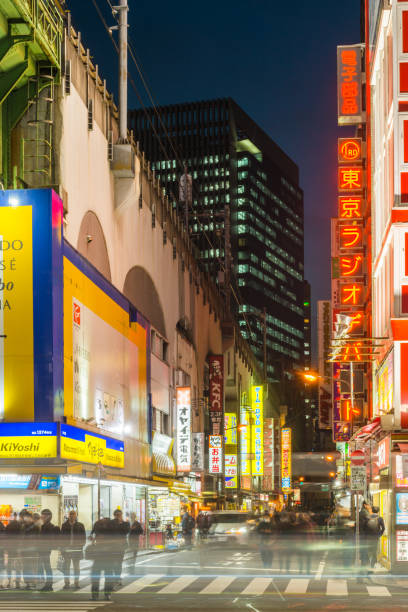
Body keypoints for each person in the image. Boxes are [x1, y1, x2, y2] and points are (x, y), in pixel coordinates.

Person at [90, 517, 115, 601]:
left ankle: (96, 595)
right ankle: (106, 594)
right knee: (107, 575)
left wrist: (94, 541)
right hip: (105, 555)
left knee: (97, 575)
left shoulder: (100, 526)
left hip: (102, 555)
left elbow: (93, 537)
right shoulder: (109, 528)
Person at [60, 510, 86, 589]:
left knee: (76, 567)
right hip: (67, 549)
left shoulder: (80, 525)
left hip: (77, 549)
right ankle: (67, 583)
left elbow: (83, 537)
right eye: (70, 514)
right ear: (68, 515)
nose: (72, 516)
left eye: (73, 514)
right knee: (66, 567)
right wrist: (62, 548)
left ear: (76, 515)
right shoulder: (64, 525)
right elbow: (61, 538)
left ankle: (76, 582)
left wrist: (81, 545)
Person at [38, 509, 60, 591]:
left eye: (43, 515)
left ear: (48, 516)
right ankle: (48, 584)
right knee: (46, 567)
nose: (41, 516)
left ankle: (49, 585)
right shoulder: (44, 526)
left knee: (47, 567)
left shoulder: (48, 527)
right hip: (43, 549)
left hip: (45, 549)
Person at [19, 510, 40, 590]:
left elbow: (38, 539)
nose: (24, 519)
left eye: (25, 517)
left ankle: (34, 582)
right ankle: (28, 582)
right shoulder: (23, 527)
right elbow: (21, 539)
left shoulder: (36, 527)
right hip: (25, 550)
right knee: (25, 567)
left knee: (33, 567)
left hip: (33, 550)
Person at [110, 509, 130, 588]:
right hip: (112, 547)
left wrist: (120, 523)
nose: (118, 516)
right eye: (117, 515)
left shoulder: (125, 524)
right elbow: (110, 532)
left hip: (121, 546)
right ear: (114, 515)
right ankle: (114, 577)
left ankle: (117, 577)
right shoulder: (111, 523)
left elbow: (126, 531)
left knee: (119, 563)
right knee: (112, 563)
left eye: (120, 515)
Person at [5, 513, 22, 589]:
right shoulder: (20, 525)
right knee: (18, 565)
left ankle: (9, 581)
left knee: (9, 565)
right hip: (17, 547)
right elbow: (21, 537)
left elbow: (6, 537)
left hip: (10, 547)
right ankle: (17, 582)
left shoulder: (9, 525)